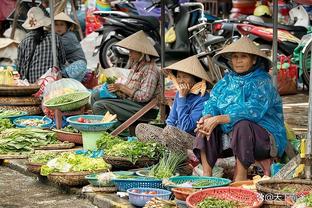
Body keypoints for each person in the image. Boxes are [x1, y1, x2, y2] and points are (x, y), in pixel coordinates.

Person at [194, 37, 287, 181]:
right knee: (206, 125)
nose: (238, 61)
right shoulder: (226, 81)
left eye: (243, 57)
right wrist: (207, 116)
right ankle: (207, 177)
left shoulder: (263, 81)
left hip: (265, 140)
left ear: (254, 60)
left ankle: (240, 177)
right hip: (231, 138)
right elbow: (212, 102)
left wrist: (219, 118)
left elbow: (253, 110)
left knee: (242, 125)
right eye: (235, 57)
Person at [135, 55, 211, 154]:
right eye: (178, 77)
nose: (181, 80)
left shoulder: (203, 98)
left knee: (170, 132)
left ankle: (179, 159)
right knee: (141, 128)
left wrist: (182, 98)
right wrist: (165, 138)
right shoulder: (179, 94)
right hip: (173, 136)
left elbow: (186, 127)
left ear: (195, 79)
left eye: (185, 76)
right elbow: (171, 121)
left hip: (193, 142)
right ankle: (166, 153)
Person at [90, 30, 160, 123]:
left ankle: (119, 133)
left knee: (99, 106)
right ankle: (104, 125)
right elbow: (130, 87)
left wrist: (122, 87)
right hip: (131, 102)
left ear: (141, 53)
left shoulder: (150, 69)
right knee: (96, 95)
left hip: (144, 108)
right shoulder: (136, 65)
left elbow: (144, 97)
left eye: (132, 51)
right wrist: (117, 89)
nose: (129, 55)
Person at [16, 7, 66, 83]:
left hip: (31, 83)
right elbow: (62, 60)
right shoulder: (54, 37)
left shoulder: (24, 41)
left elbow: (19, 67)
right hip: (51, 81)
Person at [54, 12, 87, 82]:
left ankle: (61, 78)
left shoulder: (69, 36)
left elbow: (56, 48)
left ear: (67, 27)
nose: (58, 27)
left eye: (61, 25)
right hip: (68, 68)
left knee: (81, 64)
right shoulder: (59, 37)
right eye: (56, 25)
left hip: (76, 68)